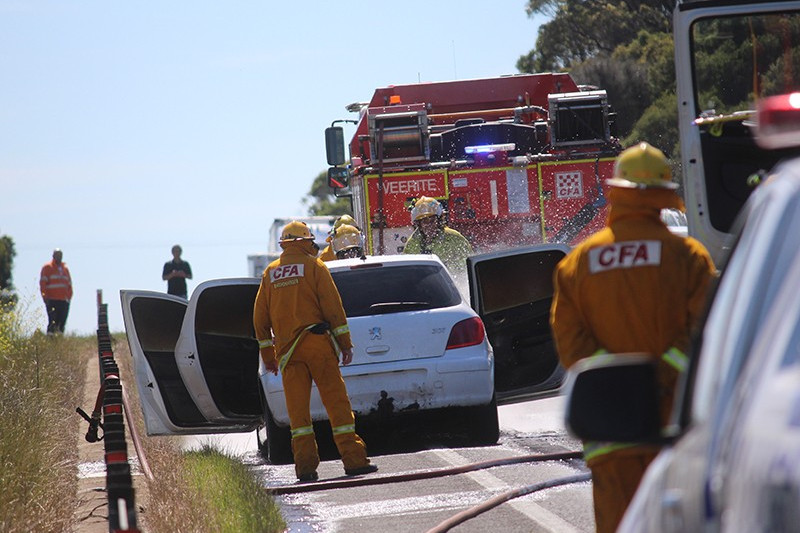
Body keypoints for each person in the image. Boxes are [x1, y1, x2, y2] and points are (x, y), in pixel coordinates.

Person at [550, 142, 716, 533]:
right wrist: (661, 379)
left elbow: (572, 346)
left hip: (612, 437)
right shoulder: (688, 256)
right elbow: (708, 334)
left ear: (615, 192)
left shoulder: (578, 263)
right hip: (677, 431)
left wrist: (623, 387)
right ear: (663, 195)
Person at [253, 220, 377, 482]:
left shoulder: (270, 273)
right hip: (317, 345)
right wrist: (345, 344)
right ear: (304, 242)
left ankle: (305, 468)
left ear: (284, 245)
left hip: (288, 354)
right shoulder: (314, 267)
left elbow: (259, 321)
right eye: (310, 241)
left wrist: (269, 357)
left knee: (298, 416)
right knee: (337, 405)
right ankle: (354, 460)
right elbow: (333, 308)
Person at [402, 196, 473, 279]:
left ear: (439, 220)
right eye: (424, 221)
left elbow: (469, 267)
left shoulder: (454, 238)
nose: (429, 225)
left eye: (432, 220)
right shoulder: (412, 244)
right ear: (419, 224)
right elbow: (407, 273)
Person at [40, 248, 73, 334]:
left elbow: (69, 284)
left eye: (60, 255)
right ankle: (50, 340)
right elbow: (43, 283)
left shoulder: (65, 269)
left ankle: (59, 341)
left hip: (63, 300)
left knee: (62, 323)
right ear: (53, 256)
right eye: (57, 255)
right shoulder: (47, 267)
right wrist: (45, 297)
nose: (59, 257)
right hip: (52, 300)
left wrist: (69, 298)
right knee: (52, 321)